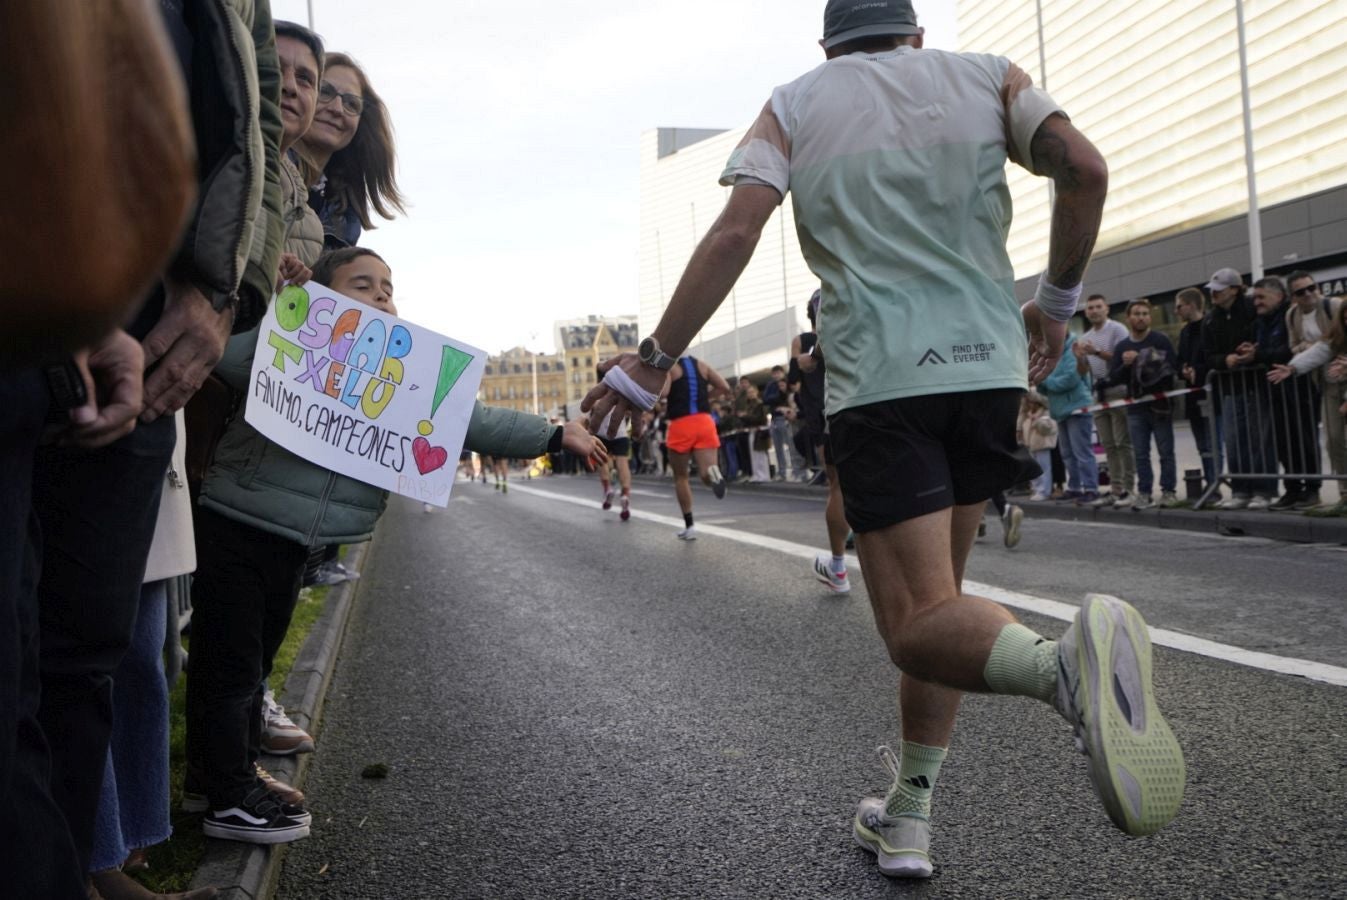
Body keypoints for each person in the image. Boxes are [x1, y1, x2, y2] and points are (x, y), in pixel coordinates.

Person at [584, 0, 1183, 879]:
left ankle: (1065, 671)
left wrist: (651, 359)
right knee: (944, 610)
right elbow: (1083, 170)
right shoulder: (986, 75)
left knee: (915, 628)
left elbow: (737, 230)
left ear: (826, 43)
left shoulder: (795, 101)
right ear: (914, 34)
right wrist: (1055, 306)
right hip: (986, 372)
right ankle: (907, 814)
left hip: (884, 383)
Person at [5, 4, 281, 896]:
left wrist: (221, 290)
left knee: (89, 645)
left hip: (147, 318)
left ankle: (78, 864)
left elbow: (256, 119)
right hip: (37, 276)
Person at [1203, 267, 1278, 509]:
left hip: (1256, 385)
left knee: (1259, 439)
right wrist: (1224, 360)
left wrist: (1252, 354)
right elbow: (1207, 355)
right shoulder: (1211, 319)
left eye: (1219, 290)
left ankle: (1263, 490)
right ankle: (1240, 490)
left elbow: (1263, 337)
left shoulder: (1251, 309)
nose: (1214, 295)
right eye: (1213, 291)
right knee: (1235, 442)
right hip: (1229, 387)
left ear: (1234, 289)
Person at [1270, 289, 1347, 512]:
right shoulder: (1337, 336)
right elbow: (1320, 351)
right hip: (1333, 389)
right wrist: (1293, 367)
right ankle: (1345, 492)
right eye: (1345, 316)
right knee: (1333, 441)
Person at [1249, 277, 1320, 510]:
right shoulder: (1260, 322)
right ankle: (1292, 489)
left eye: (1261, 297)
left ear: (1278, 296)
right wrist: (1253, 352)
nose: (1256, 302)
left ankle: (1312, 489)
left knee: (1305, 439)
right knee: (1283, 442)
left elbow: (1288, 350)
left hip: (1300, 385)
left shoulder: (1290, 316)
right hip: (1274, 387)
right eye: (1255, 297)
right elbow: (1268, 349)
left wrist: (1258, 356)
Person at [1101, 299, 1180, 509]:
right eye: (1137, 313)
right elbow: (1114, 379)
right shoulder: (1122, 346)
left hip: (1161, 405)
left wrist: (1143, 358)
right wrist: (1127, 365)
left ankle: (1169, 491)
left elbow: (1172, 367)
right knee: (1141, 453)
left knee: (1166, 451)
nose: (1141, 317)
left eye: (1145, 313)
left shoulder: (1160, 340)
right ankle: (1144, 492)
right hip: (1136, 407)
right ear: (1128, 318)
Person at [1283, 272, 1344, 489]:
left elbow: (1330, 343)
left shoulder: (1334, 305)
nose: (1309, 294)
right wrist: (1296, 362)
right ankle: (1345, 492)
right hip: (1327, 382)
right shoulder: (1292, 315)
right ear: (1293, 297)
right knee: (1334, 440)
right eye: (1301, 292)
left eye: (1312, 287)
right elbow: (1298, 346)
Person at [663, 356, 732, 540]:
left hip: (681, 424)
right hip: (704, 422)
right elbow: (725, 386)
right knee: (705, 473)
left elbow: (663, 392)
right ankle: (713, 474)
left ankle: (690, 526)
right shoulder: (702, 365)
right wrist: (706, 396)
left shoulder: (671, 368)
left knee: (681, 477)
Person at [1078, 294, 1137, 507]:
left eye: (1097, 307)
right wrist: (1081, 358)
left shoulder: (1117, 329)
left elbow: (1122, 360)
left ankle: (1130, 489)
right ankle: (1116, 488)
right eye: (1090, 308)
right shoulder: (1085, 337)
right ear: (1085, 312)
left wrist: (1096, 352)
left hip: (1118, 390)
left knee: (1123, 442)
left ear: (1107, 308)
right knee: (1109, 445)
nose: (1094, 311)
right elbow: (1083, 371)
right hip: (1098, 393)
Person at [1040, 331, 1100, 505]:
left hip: (1077, 408)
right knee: (1067, 454)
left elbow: (1069, 379)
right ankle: (1074, 487)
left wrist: (1044, 380)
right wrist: (1043, 381)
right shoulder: (1050, 353)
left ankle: (1091, 488)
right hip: (1060, 410)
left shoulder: (1074, 348)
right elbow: (1044, 386)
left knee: (1082, 452)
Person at [1174, 287, 1220, 501]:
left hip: (1212, 394)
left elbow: (1213, 356)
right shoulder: (1184, 332)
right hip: (1193, 396)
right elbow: (1179, 359)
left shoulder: (1210, 325)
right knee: (1202, 445)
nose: (1176, 311)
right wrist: (1183, 368)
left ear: (1191, 305)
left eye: (1179, 306)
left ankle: (1215, 482)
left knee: (1213, 443)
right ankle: (1211, 483)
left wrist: (1198, 371)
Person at [1018, 391, 1056, 502]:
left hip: (1042, 444)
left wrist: (1036, 420)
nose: (1030, 405)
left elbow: (1047, 429)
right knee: (1034, 468)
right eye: (1029, 403)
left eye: (1033, 403)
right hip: (1030, 444)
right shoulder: (1027, 414)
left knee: (1044, 468)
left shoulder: (1045, 413)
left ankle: (1044, 491)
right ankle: (1036, 489)